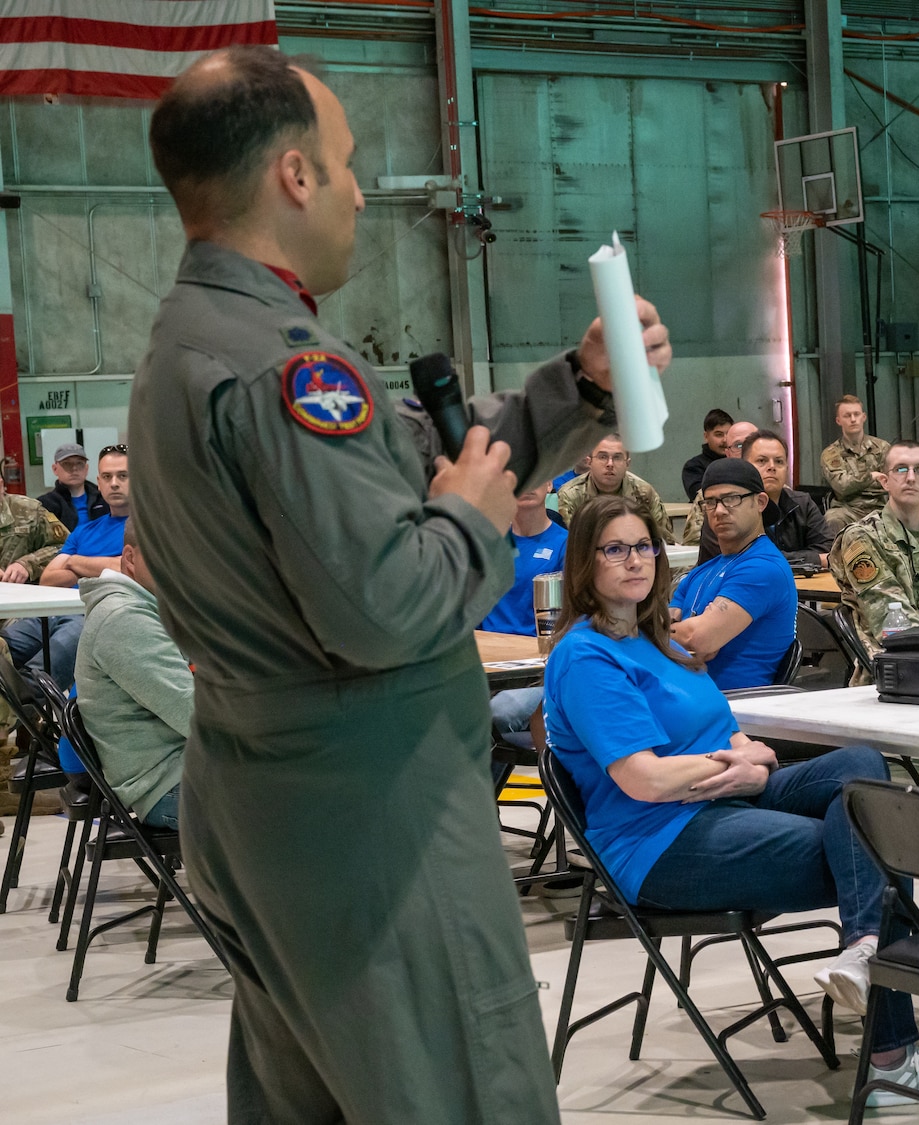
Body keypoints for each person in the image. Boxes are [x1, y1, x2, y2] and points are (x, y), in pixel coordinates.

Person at [129, 45, 662, 1121]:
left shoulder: (192, 339)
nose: (361, 191)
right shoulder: (286, 367)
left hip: (269, 798)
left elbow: (405, 487)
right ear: (294, 176)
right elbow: (386, 605)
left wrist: (578, 389)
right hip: (373, 814)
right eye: (348, 161)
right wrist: (468, 521)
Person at [543, 493, 919, 1106]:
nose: (635, 561)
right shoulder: (586, 656)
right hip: (660, 840)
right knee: (877, 847)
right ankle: (891, 1058)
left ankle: (862, 951)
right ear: (583, 565)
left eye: (643, 546)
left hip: (728, 796)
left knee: (860, 766)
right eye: (614, 549)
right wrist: (735, 765)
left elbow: (730, 734)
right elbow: (643, 779)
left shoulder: (662, 639)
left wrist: (756, 761)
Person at [75, 531, 190, 830]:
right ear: (130, 559)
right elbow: (196, 716)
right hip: (169, 785)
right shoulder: (126, 619)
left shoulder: (145, 607)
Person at [829, 441, 919, 654]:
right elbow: (891, 619)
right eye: (900, 469)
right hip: (889, 668)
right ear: (885, 482)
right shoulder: (862, 537)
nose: (911, 478)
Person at [5, 445, 131, 688]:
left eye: (122, 476)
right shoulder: (85, 530)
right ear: (99, 481)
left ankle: (29, 716)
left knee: (36, 678)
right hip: (51, 613)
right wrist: (101, 566)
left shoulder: (148, 527)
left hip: (95, 614)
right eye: (107, 476)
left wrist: (74, 561)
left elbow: (127, 569)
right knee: (3, 649)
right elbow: (48, 578)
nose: (114, 483)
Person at [670, 459, 797, 690]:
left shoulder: (763, 567)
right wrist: (682, 637)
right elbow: (658, 627)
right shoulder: (700, 572)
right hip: (689, 696)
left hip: (737, 707)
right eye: (711, 502)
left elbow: (699, 638)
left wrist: (689, 635)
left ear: (760, 502)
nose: (719, 510)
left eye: (731, 499)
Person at [483, 481, 567, 735]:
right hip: (487, 660)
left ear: (551, 484)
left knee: (497, 714)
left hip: (534, 666)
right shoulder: (488, 542)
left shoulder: (566, 544)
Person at [700, 430, 831, 568]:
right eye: (762, 461)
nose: (772, 467)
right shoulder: (724, 509)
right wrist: (816, 560)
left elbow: (829, 550)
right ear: (745, 467)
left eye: (779, 461)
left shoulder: (802, 503)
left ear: (787, 468)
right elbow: (747, 560)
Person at [557, 433, 672, 529]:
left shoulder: (644, 493)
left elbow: (664, 541)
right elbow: (569, 543)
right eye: (603, 457)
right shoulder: (570, 494)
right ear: (589, 462)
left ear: (627, 464)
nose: (610, 464)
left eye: (617, 458)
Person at [821, 395, 891, 535]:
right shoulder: (831, 454)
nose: (853, 419)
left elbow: (892, 481)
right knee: (832, 519)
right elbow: (842, 486)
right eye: (847, 416)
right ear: (838, 420)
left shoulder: (883, 447)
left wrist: (856, 484)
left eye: (856, 414)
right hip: (849, 509)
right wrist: (871, 476)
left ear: (863, 417)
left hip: (881, 506)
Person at [37, 442, 108, 532]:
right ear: (55, 469)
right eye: (67, 464)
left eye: (79, 463)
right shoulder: (45, 505)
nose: (74, 468)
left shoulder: (103, 498)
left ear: (86, 469)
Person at [681, 408, 734, 500]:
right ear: (706, 436)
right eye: (719, 434)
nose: (725, 440)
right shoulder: (694, 467)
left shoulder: (740, 462)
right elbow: (701, 497)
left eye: (729, 434)